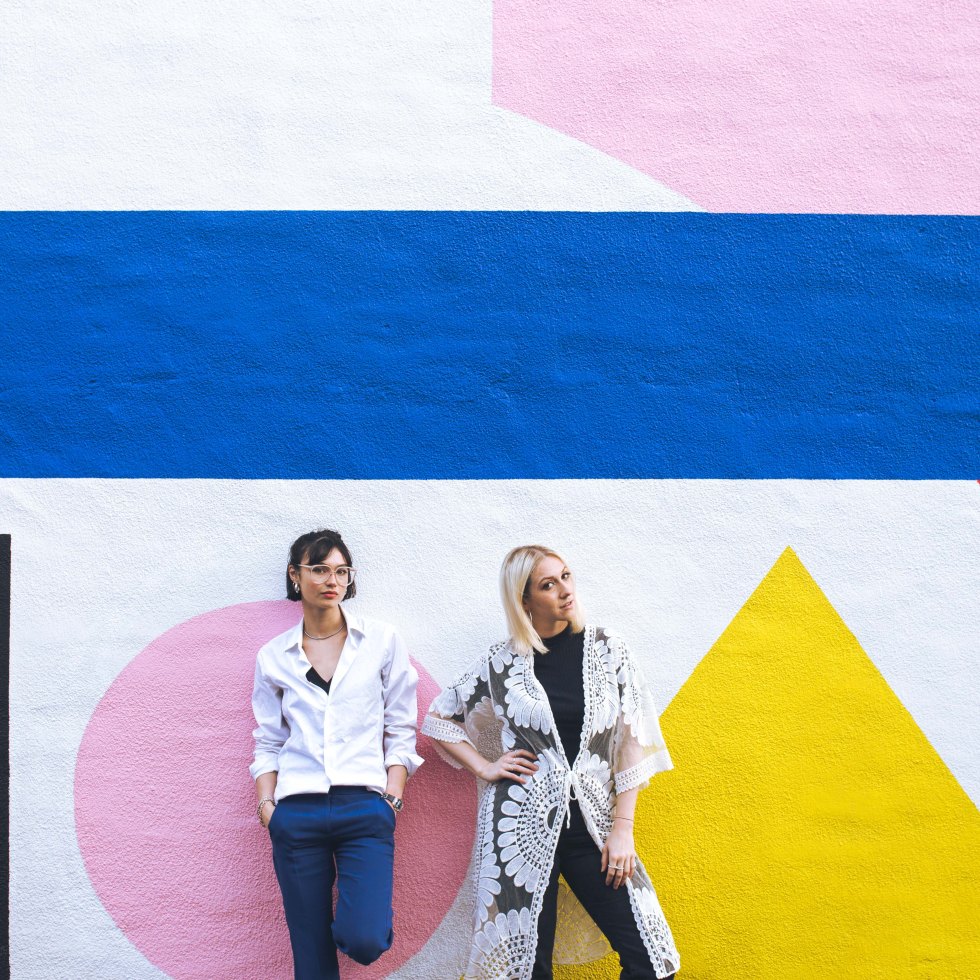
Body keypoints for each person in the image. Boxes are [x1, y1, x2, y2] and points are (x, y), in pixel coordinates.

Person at [423, 544, 679, 979]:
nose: (564, 589)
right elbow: (439, 719)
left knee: (654, 961)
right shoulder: (502, 662)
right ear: (524, 600)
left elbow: (630, 739)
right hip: (518, 830)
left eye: (566, 576)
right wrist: (485, 767)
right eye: (548, 584)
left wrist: (623, 828)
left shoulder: (608, 649)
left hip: (594, 829)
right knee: (525, 970)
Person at [250, 528, 423, 980]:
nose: (333, 580)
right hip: (296, 812)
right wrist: (268, 806)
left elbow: (400, 725)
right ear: (295, 575)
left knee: (365, 938)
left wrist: (392, 796)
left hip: (364, 808)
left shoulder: (381, 641)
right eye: (320, 569)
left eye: (342, 571)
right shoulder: (274, 656)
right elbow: (268, 740)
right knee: (311, 959)